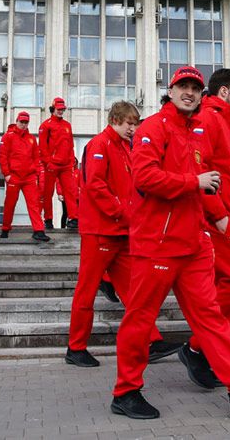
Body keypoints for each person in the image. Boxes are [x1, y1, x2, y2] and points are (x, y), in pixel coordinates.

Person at [112, 66, 230, 419]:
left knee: (210, 318)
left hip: (192, 244)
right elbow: (145, 178)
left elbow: (206, 182)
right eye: (183, 86)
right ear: (171, 90)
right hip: (157, 244)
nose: (189, 92)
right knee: (140, 319)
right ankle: (125, 391)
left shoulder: (196, 132)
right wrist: (195, 183)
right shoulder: (152, 128)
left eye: (194, 87)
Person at [178, 68, 230, 389]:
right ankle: (199, 347)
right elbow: (198, 169)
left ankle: (200, 349)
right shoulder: (209, 119)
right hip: (219, 222)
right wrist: (219, 216)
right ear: (223, 93)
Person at [66, 101, 141, 367]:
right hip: (100, 231)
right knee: (86, 292)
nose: (133, 128)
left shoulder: (124, 148)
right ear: (115, 119)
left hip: (120, 231)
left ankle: (150, 341)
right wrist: (122, 212)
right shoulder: (99, 144)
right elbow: (95, 185)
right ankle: (75, 348)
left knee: (134, 290)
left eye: (135, 124)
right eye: (129, 123)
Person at [0, 112, 47, 242]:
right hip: (14, 176)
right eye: (22, 122)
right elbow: (2, 155)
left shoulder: (31, 138)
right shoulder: (8, 137)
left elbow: (36, 157)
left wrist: (36, 173)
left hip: (29, 177)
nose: (24, 125)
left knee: (34, 204)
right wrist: (7, 174)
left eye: (26, 122)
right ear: (17, 121)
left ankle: (39, 230)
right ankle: (5, 228)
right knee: (10, 204)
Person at [39, 97, 78, 230]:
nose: (61, 111)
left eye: (62, 109)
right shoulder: (45, 125)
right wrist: (48, 162)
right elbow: (42, 147)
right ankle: (48, 219)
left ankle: (73, 218)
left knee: (71, 191)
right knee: (48, 193)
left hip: (66, 165)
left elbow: (70, 144)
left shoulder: (67, 125)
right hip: (52, 165)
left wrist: (72, 160)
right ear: (53, 109)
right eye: (59, 109)